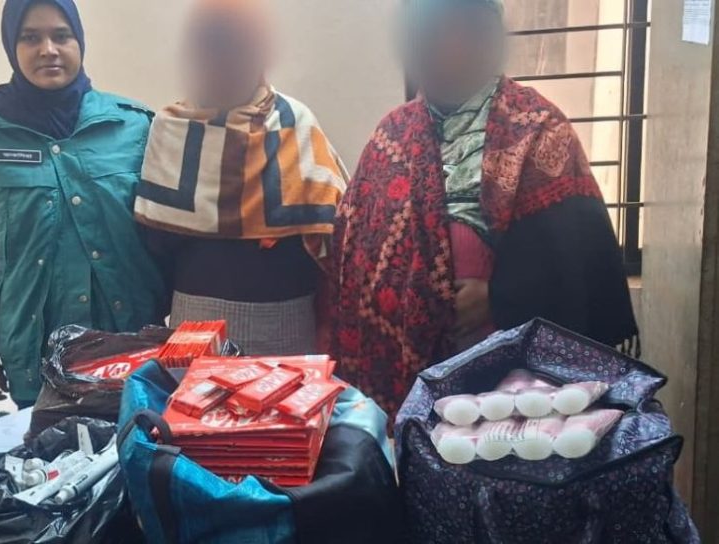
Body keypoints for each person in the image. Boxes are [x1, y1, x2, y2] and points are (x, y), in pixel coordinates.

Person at [330, 0, 639, 418]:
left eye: (460, 33)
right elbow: (352, 256)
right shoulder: (392, 135)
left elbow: (577, 265)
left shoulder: (539, 130)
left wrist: (498, 297)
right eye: (429, 37)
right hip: (405, 385)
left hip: (515, 387)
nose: (445, 51)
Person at [0, 0, 168, 407]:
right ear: (11, 46)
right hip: (36, 348)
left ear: (79, 41)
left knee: (144, 438)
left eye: (61, 35)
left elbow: (167, 236)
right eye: (30, 38)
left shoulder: (134, 126)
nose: (48, 49)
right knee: (53, 446)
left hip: (133, 336)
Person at [135, 0, 348, 356]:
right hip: (193, 325)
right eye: (214, 48)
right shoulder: (171, 128)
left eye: (240, 48)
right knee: (190, 395)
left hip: (286, 327)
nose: (226, 63)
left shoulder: (295, 123)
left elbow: (334, 242)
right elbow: (155, 247)